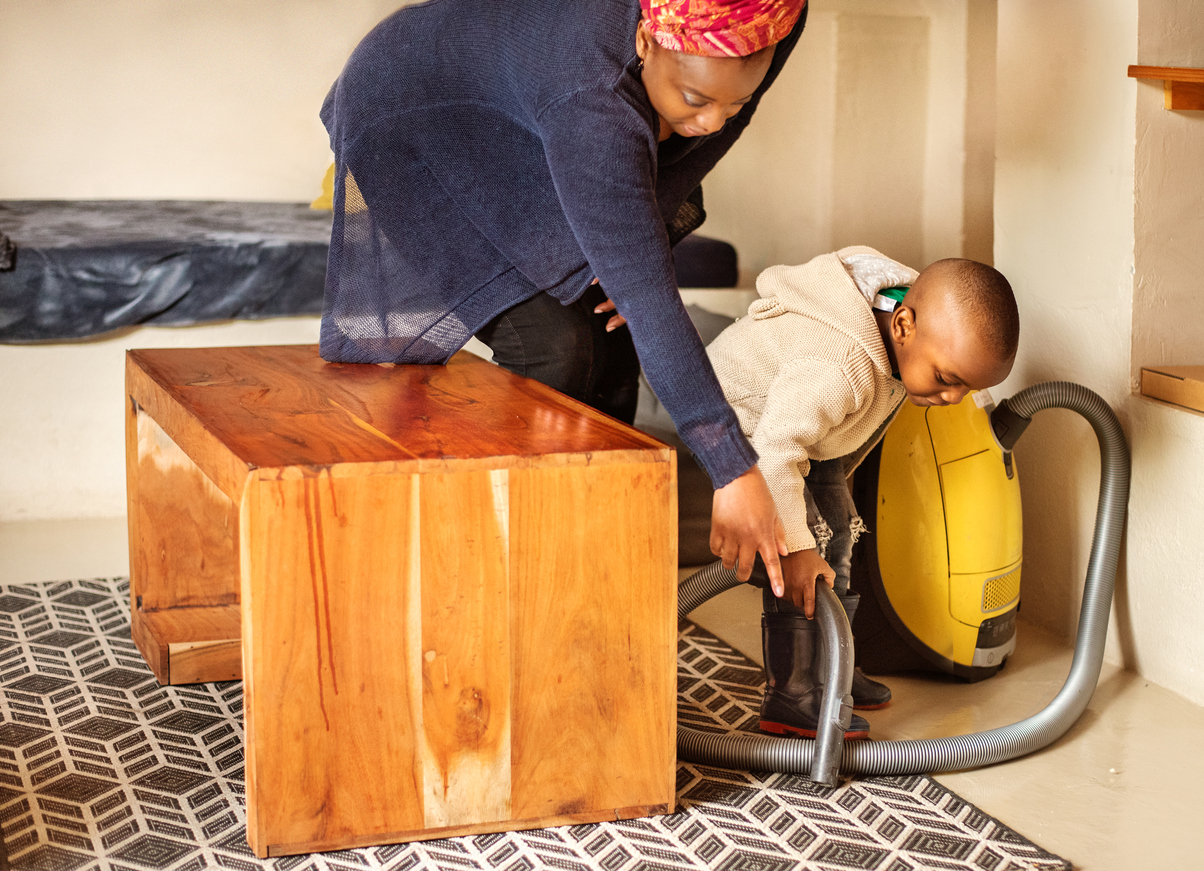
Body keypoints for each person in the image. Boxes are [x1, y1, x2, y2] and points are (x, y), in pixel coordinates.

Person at [318, 0, 810, 593]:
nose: (712, 121)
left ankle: (588, 559)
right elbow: (653, 300)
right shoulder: (590, 94)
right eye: (697, 100)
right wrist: (733, 470)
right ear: (647, 45)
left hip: (523, 103)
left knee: (615, 333)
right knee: (556, 346)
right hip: (411, 110)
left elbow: (677, 168)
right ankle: (498, 572)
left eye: (734, 104)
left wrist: (630, 246)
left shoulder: (768, 21)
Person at [705, 246, 1020, 739]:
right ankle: (791, 695)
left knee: (839, 527)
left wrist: (826, 521)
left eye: (965, 389)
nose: (950, 399)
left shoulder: (908, 335)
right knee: (801, 542)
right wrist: (801, 548)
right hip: (744, 417)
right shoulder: (840, 365)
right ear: (903, 326)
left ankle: (831, 668)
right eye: (945, 380)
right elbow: (773, 450)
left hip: (806, 436)